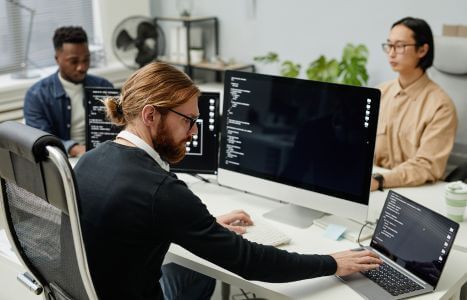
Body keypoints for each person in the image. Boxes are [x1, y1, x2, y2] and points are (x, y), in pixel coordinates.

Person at [73, 62, 382, 300]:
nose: (194, 132)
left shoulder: (89, 161)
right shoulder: (161, 190)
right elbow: (251, 263)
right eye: (188, 120)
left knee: (198, 274)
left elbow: (130, 227)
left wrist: (202, 227)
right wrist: (332, 262)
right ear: (151, 115)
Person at [371, 17, 458, 191]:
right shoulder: (380, 93)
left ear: (422, 50)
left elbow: (426, 165)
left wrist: (381, 180)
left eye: (400, 46)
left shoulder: (441, 106)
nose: (392, 53)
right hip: (375, 184)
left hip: (414, 190)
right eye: (389, 45)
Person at [23, 26, 113, 157]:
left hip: (103, 155)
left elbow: (118, 127)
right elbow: (41, 139)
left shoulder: (104, 86)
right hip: (62, 161)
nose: (82, 67)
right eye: (73, 61)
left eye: (86, 59)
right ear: (57, 58)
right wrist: (75, 149)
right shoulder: (36, 95)